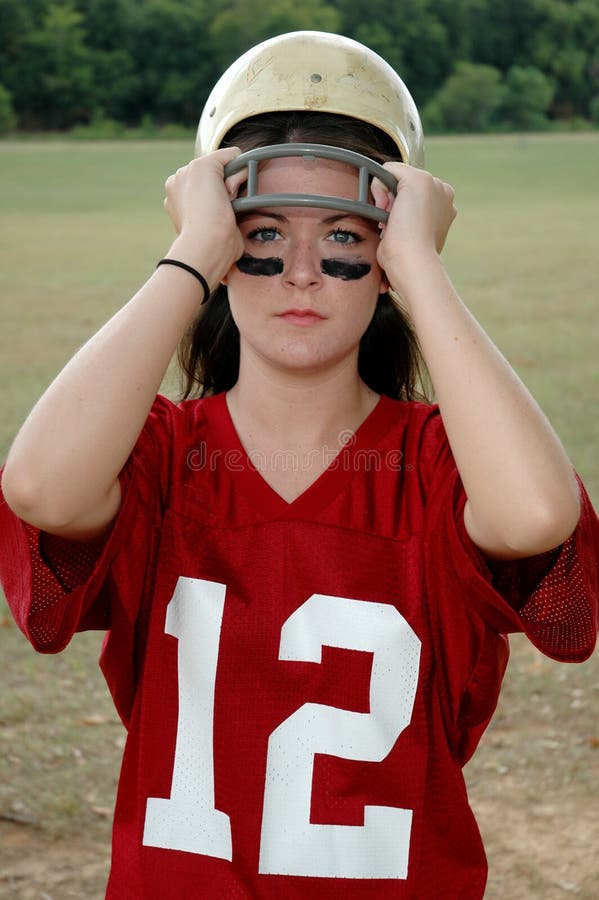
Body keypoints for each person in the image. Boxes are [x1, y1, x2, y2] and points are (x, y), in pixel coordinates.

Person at [0, 30, 597, 900]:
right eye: (263, 233)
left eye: (347, 236)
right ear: (218, 243)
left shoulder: (434, 462)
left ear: (387, 255)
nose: (304, 273)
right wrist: (191, 257)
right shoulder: (164, 456)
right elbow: (39, 488)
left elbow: (538, 518)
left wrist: (421, 269)